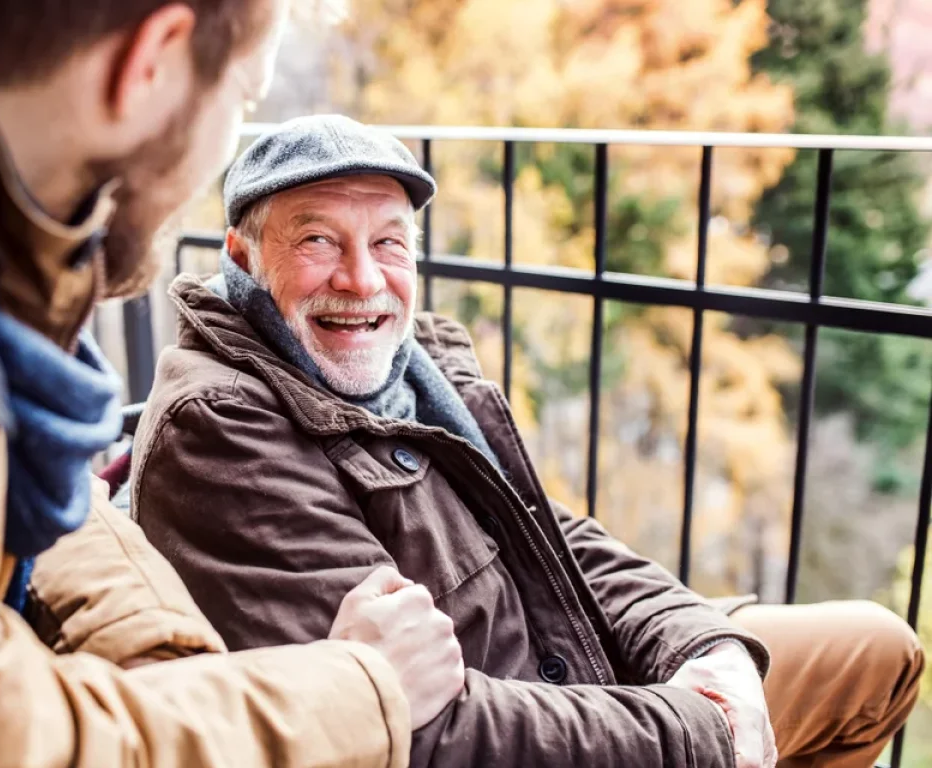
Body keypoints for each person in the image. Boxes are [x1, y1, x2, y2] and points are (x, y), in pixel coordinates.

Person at [0, 1, 467, 765]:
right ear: (148, 63)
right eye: (244, 96)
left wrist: (160, 659)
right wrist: (362, 688)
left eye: (389, 242)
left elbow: (43, 499)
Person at [126, 114, 927, 768]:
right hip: (518, 724)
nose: (363, 281)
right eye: (318, 241)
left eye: (388, 243)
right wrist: (696, 731)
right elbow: (416, 730)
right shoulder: (221, 426)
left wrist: (702, 645)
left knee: (874, 650)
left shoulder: (414, 363)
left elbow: (549, 532)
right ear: (242, 255)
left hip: (568, 660)